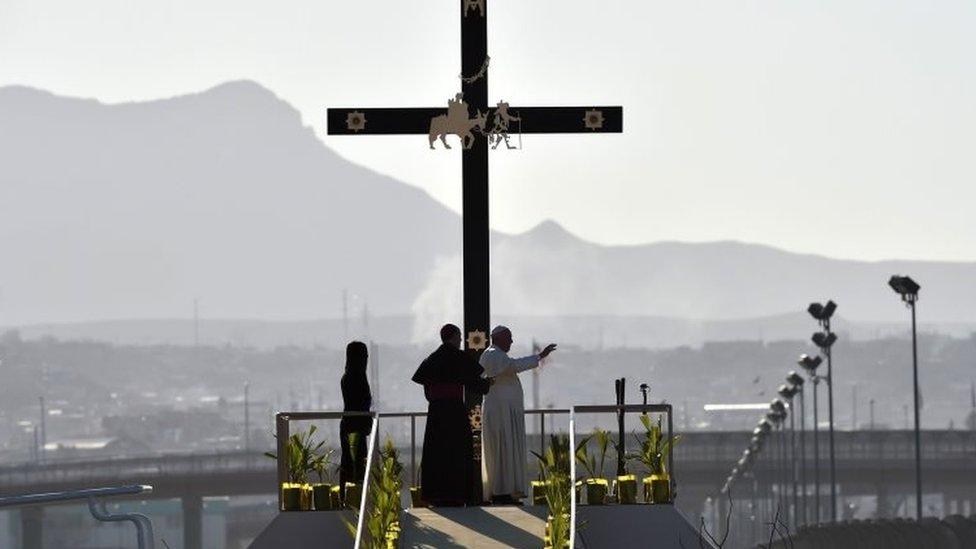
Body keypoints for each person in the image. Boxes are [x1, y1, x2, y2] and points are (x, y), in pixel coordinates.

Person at [412, 324, 493, 506]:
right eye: (459, 337)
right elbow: (475, 382)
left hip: (436, 414)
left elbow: (427, 388)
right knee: (458, 453)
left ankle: (437, 496)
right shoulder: (459, 358)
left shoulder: (431, 359)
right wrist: (488, 384)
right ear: (455, 337)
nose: (460, 340)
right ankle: (457, 495)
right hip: (455, 412)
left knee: (437, 454)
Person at [480, 325, 557, 504]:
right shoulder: (492, 354)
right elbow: (513, 366)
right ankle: (501, 491)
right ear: (498, 338)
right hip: (500, 414)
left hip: (506, 412)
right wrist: (539, 356)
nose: (512, 341)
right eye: (509, 338)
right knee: (502, 450)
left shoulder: (497, 354)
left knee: (508, 450)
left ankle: (508, 490)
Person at [339, 341, 372, 500]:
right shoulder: (356, 377)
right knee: (355, 463)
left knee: (352, 462)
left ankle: (349, 498)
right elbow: (361, 402)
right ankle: (353, 499)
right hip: (355, 425)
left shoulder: (349, 376)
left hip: (351, 424)